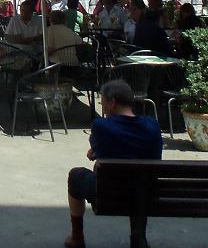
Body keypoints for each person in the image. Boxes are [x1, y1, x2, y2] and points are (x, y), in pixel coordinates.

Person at [64, 79, 163, 248]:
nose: (102, 106)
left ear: (113, 102)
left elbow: (97, 149)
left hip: (108, 195)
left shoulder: (101, 126)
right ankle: (138, 236)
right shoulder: (152, 125)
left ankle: (77, 237)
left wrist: (94, 152)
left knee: (75, 175)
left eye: (102, 102)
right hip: (146, 195)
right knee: (139, 181)